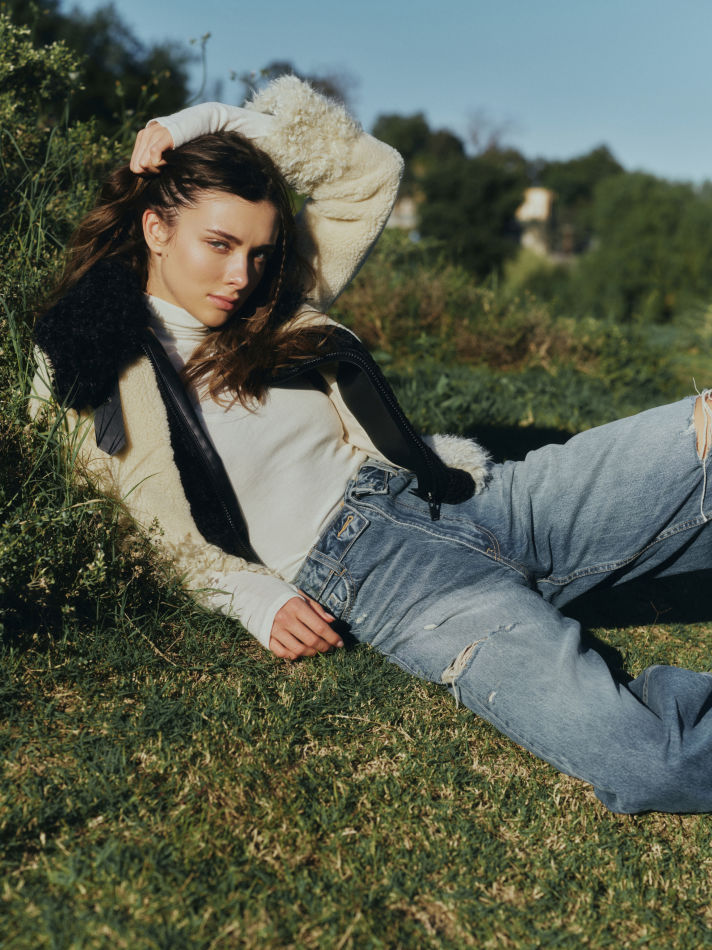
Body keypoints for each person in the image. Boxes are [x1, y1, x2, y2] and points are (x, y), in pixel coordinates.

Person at [31, 77, 712, 815]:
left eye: (259, 252)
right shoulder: (88, 359)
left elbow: (368, 172)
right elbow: (138, 521)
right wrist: (251, 597)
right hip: (393, 586)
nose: (240, 276)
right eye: (219, 244)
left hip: (465, 497)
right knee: (658, 765)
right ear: (156, 229)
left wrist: (205, 123)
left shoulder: (275, 301)